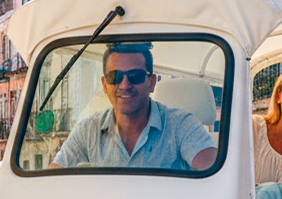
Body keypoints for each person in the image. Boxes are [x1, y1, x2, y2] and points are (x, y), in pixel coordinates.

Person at [51, 42, 217, 170]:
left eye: (135, 76)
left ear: (151, 82)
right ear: (104, 84)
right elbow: (51, 182)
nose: (124, 85)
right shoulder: (88, 131)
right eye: (115, 76)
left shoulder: (181, 125)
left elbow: (215, 175)